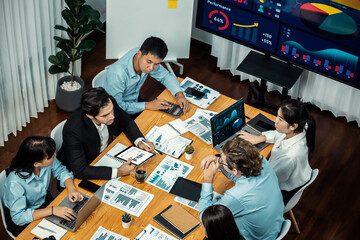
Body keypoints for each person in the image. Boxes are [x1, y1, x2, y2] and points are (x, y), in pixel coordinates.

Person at [57, 87, 155, 180]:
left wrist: (139, 141)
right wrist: (119, 172)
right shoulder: (73, 130)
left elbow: (125, 121)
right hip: (85, 169)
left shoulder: (108, 103)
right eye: (105, 115)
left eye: (112, 111)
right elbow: (80, 171)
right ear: (90, 116)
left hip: (106, 154)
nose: (112, 116)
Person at [199, 137, 284, 240]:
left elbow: (206, 218)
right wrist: (220, 162)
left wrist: (208, 178)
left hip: (260, 237)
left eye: (222, 160)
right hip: (274, 225)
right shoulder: (263, 163)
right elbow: (240, 177)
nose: (219, 160)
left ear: (235, 170)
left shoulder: (235, 196)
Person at [237, 99, 316, 204]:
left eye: (280, 119)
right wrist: (261, 138)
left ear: (293, 126)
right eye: (277, 116)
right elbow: (280, 134)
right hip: (287, 178)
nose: (275, 121)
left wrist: (241, 166)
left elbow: (265, 180)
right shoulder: (301, 128)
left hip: (279, 193)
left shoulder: (290, 157)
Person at [3, 136, 83, 237]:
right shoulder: (14, 182)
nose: (55, 155)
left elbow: (62, 171)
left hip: (43, 202)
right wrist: (52, 210)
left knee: (71, 224)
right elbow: (19, 217)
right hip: (23, 218)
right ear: (36, 163)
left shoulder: (46, 161)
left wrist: (72, 189)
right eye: (51, 157)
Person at [103, 36, 190, 117]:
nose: (151, 68)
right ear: (139, 54)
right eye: (149, 62)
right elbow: (116, 106)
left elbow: (165, 76)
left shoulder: (145, 55)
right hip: (117, 113)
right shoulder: (117, 75)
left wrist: (180, 95)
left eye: (156, 64)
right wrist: (147, 105)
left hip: (134, 100)